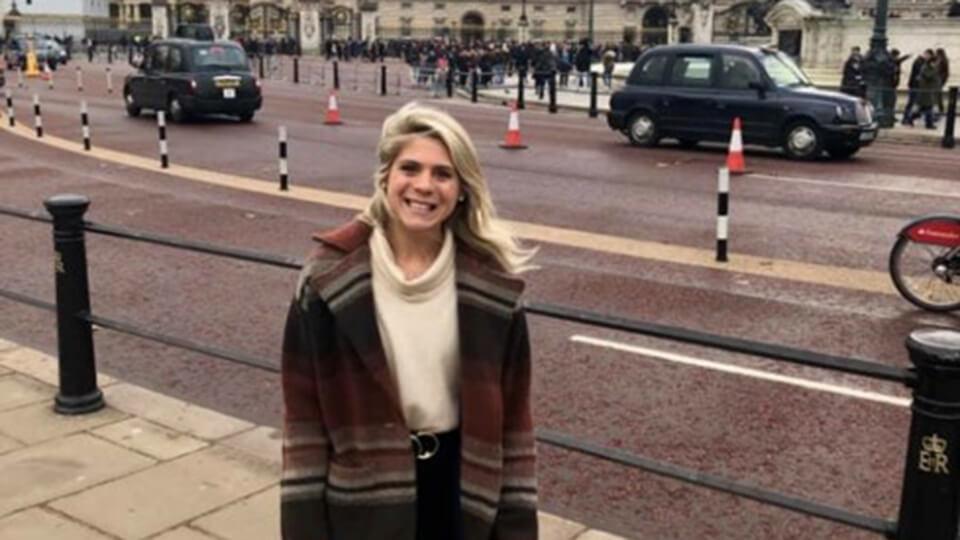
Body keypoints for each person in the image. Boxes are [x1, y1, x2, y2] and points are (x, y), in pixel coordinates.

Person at [280, 102, 539, 540]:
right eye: (410, 168)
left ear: (461, 189)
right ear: (385, 176)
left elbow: (514, 429)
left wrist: (518, 529)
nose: (424, 186)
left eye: (442, 174)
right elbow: (303, 425)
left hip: (463, 493)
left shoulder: (493, 287)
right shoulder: (327, 278)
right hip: (363, 500)